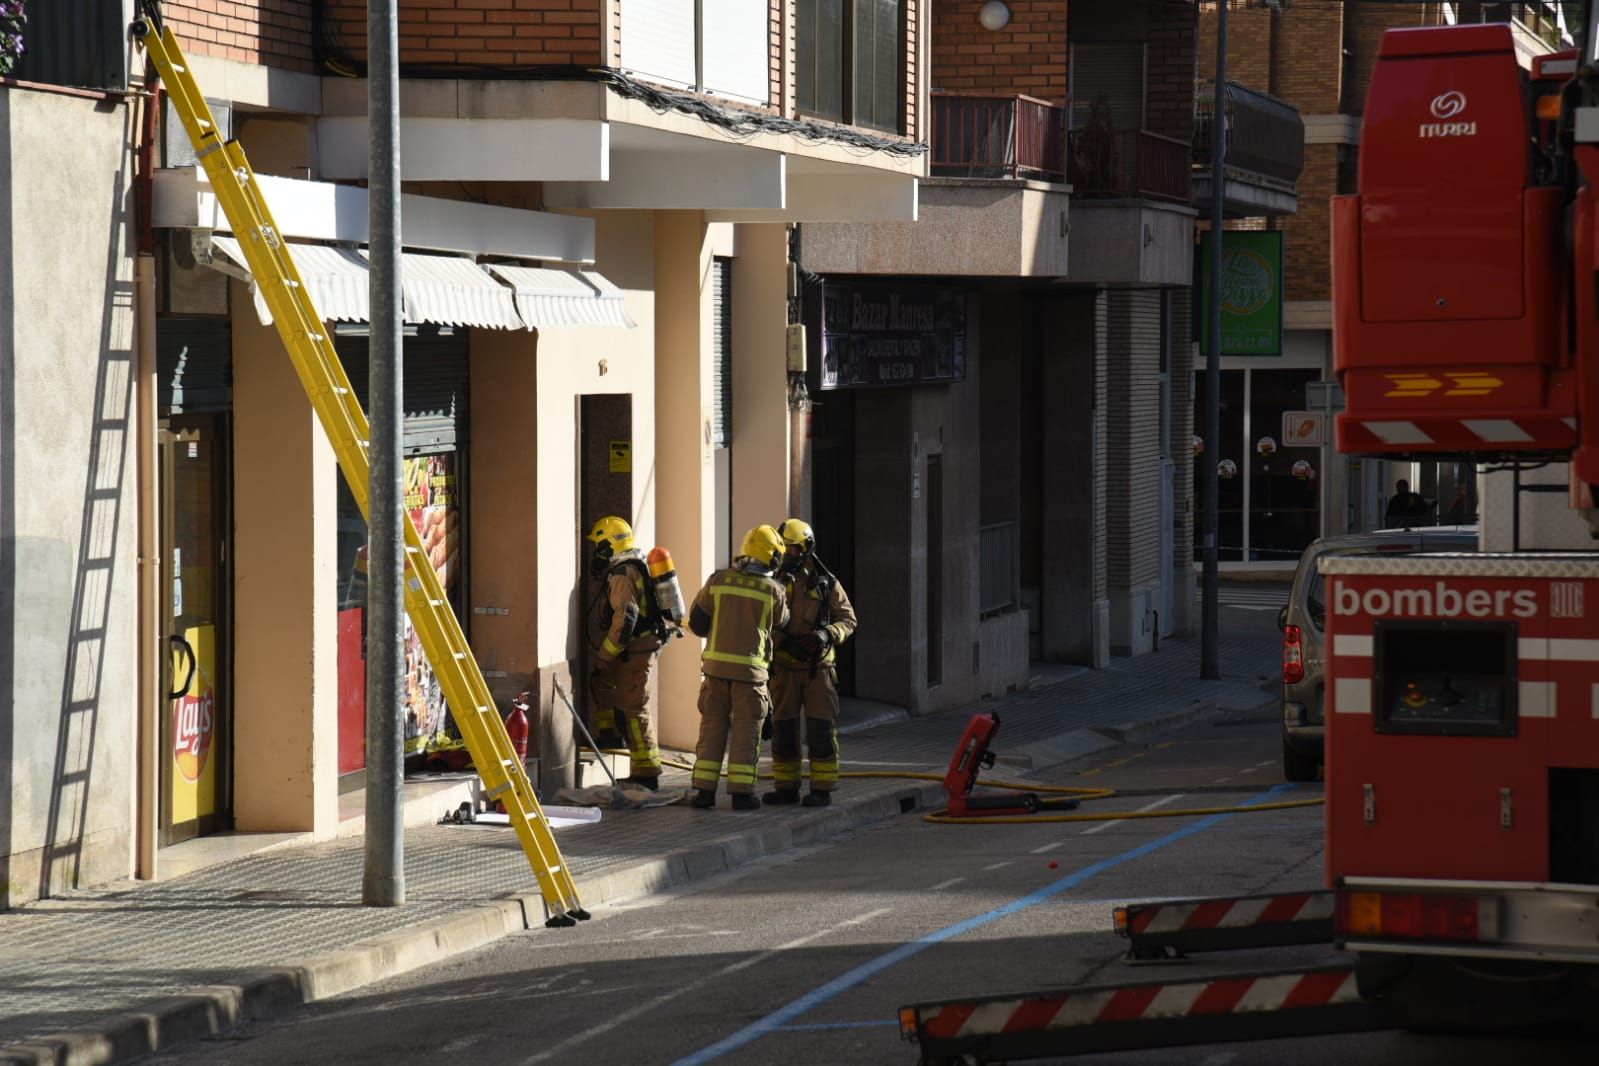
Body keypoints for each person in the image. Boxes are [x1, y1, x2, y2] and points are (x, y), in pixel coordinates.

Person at [686, 525, 790, 811]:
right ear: (773, 559)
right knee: (746, 733)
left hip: (716, 671)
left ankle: (704, 793)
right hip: (750, 675)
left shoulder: (718, 581)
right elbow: (783, 624)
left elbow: (697, 623)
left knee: (711, 729)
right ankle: (742, 795)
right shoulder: (774, 591)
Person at [765, 519, 858, 809]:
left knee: (820, 729)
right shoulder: (772, 581)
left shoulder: (825, 582)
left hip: (819, 670)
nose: (786, 554)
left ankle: (822, 788)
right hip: (783, 668)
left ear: (805, 549)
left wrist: (825, 634)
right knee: (783, 729)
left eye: (791, 549)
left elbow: (848, 620)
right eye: (783, 548)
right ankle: (786, 787)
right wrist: (781, 641)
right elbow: (761, 620)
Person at [585, 515, 665, 789]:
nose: (596, 554)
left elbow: (626, 616)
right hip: (637, 647)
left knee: (634, 707)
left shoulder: (621, 575)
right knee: (602, 684)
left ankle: (647, 771)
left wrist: (605, 654)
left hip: (635, 649)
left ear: (610, 546)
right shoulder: (634, 566)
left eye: (599, 547)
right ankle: (608, 735)